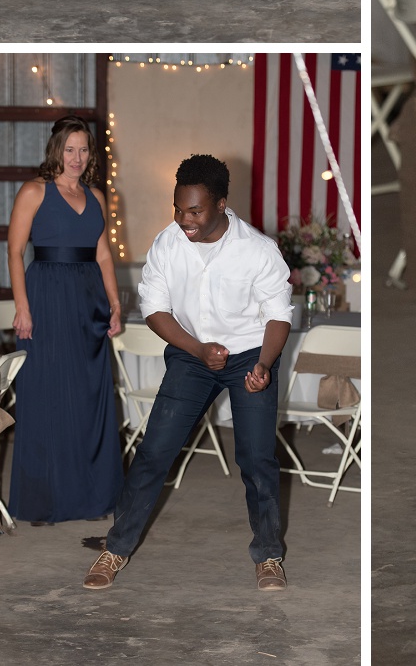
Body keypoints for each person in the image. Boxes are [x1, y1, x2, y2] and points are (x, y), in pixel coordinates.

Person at [83, 154, 293, 592]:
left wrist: (263, 366)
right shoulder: (167, 244)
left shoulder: (258, 250)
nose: (185, 220)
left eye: (195, 211)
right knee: (154, 451)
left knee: (257, 459)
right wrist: (197, 348)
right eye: (178, 209)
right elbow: (155, 310)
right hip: (190, 353)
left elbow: (277, 316)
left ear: (220, 204)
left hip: (249, 356)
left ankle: (269, 555)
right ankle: (116, 547)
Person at [6, 116, 123, 525]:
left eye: (84, 149)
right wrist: (22, 306)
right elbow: (15, 252)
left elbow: (104, 254)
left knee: (90, 398)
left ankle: (91, 496)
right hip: (47, 298)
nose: (77, 157)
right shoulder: (34, 191)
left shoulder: (96, 196)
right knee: (47, 396)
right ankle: (45, 500)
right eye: (70, 149)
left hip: (88, 300)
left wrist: (114, 302)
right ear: (56, 149)